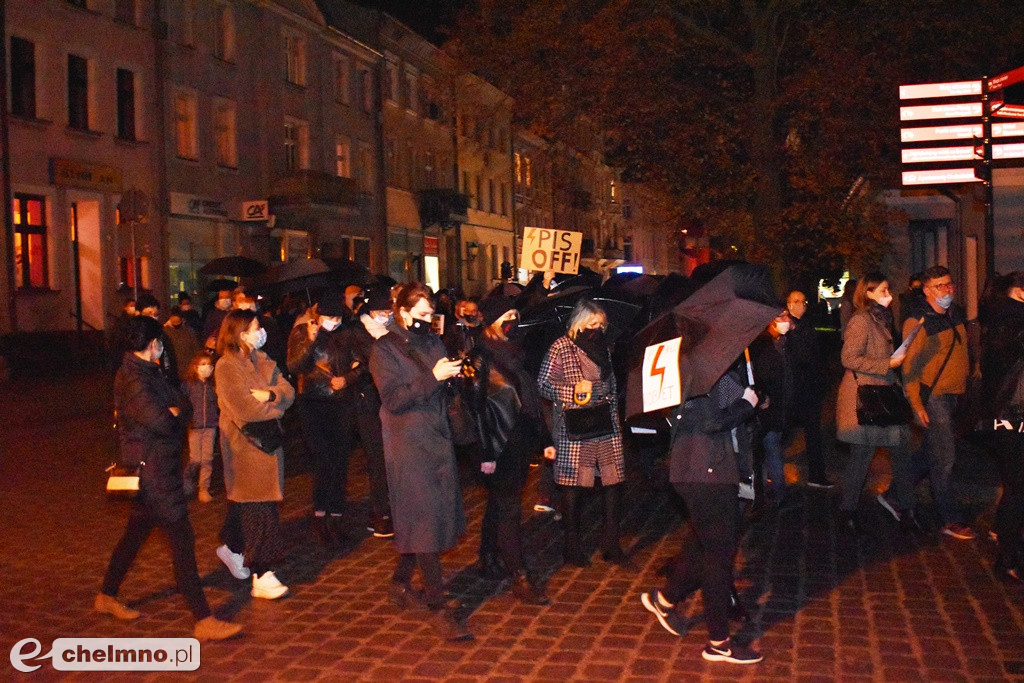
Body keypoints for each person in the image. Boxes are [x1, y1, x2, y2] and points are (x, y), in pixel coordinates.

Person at [97, 316, 242, 641]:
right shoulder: (133, 378)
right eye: (159, 342)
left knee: (134, 535)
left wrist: (177, 413)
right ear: (150, 344)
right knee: (182, 539)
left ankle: (106, 594)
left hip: (159, 466)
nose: (162, 347)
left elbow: (184, 405)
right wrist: (175, 415)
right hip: (151, 472)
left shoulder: (151, 372)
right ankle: (203, 618)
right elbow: (165, 421)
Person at [640, 361, 763, 665]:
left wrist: (750, 395)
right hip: (705, 472)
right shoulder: (700, 369)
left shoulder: (700, 367)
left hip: (700, 469)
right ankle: (718, 643)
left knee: (704, 544)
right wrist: (747, 404)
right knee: (719, 557)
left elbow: (723, 403)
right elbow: (710, 420)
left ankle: (665, 598)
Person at [369, 282, 472, 641]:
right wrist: (433, 378)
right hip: (407, 441)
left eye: (432, 314)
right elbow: (394, 399)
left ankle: (399, 583)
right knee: (425, 516)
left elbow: (438, 386)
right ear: (403, 312)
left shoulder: (432, 341)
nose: (430, 320)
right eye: (423, 314)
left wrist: (453, 376)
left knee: (428, 514)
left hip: (437, 435)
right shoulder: (384, 349)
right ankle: (438, 607)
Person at [463, 295, 550, 604]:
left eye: (515, 314)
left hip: (520, 440)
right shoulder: (479, 357)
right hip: (496, 444)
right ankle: (520, 575)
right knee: (509, 507)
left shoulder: (517, 352)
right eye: (506, 316)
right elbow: (476, 410)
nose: (512, 320)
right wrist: (486, 454)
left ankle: (488, 555)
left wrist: (544, 440)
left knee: (499, 504)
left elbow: (530, 396)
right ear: (492, 321)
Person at [537, 298, 628, 567]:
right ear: (578, 322)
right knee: (573, 487)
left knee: (612, 484)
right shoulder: (560, 347)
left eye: (601, 324)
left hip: (605, 423)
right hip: (574, 425)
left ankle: (611, 543)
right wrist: (572, 392)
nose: (597, 329)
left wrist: (607, 393)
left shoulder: (603, 347)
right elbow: (543, 384)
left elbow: (611, 383)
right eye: (592, 324)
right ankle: (572, 545)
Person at [215, 309, 296, 599]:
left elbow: (288, 391)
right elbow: (243, 407)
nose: (260, 331)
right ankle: (263, 573)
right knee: (260, 507)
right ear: (239, 332)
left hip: (268, 442)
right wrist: (276, 407)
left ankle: (232, 546)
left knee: (249, 503)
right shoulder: (226, 366)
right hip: (245, 446)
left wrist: (272, 395)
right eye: (254, 327)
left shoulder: (262, 360)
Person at [835, 273, 916, 536]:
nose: (889, 295)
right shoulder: (861, 320)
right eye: (883, 290)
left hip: (885, 394)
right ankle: (847, 512)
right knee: (862, 457)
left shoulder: (882, 319)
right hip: (866, 397)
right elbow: (849, 358)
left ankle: (908, 510)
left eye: (888, 289)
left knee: (902, 454)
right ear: (868, 293)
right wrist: (887, 364)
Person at [901, 265, 974, 540]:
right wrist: (917, 405)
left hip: (954, 395)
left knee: (930, 454)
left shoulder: (954, 315)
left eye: (949, 284)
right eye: (940, 286)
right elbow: (909, 368)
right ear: (926, 291)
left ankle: (895, 495)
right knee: (945, 459)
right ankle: (949, 517)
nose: (947, 290)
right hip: (934, 398)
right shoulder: (918, 322)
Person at [287, 289, 354, 543]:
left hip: (340, 404)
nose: (333, 323)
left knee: (340, 461)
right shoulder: (302, 333)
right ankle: (320, 516)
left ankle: (336, 516)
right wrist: (311, 341)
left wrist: (346, 379)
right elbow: (295, 366)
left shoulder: (345, 335)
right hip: (312, 403)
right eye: (329, 318)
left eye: (337, 319)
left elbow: (360, 363)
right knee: (324, 460)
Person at [979, 271, 1024, 582]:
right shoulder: (1010, 321)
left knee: (1016, 487)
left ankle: (1005, 538)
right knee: (1017, 488)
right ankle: (1006, 556)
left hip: (1010, 413)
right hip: (1011, 415)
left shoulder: (1004, 319)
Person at [786, 290, 831, 489]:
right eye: (796, 301)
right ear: (788, 304)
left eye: (803, 301)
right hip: (793, 388)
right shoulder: (787, 328)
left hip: (810, 387)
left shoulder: (806, 324)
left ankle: (816, 474)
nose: (801, 304)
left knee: (813, 433)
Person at [750, 311, 794, 506]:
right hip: (768, 408)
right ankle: (776, 491)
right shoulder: (761, 345)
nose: (787, 321)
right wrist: (762, 395)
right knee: (771, 448)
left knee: (772, 448)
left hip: (780, 405)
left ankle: (770, 489)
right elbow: (758, 375)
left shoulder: (783, 343)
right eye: (781, 317)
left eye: (787, 317)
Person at [184, 350, 219, 503]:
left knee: (207, 459)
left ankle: (204, 488)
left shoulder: (213, 386)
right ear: (195, 367)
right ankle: (186, 480)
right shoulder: (189, 385)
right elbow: (183, 403)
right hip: (194, 426)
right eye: (202, 365)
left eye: (209, 365)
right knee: (195, 459)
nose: (206, 368)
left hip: (210, 426)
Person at [165, 306, 201, 382]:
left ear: (182, 320)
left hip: (187, 371)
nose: (176, 326)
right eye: (173, 323)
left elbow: (196, 351)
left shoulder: (189, 331)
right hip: (172, 373)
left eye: (178, 323)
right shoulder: (165, 332)